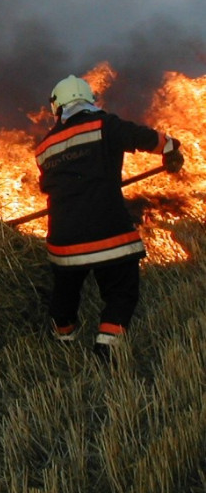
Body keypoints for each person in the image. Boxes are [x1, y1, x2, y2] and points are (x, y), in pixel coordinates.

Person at [35, 75, 184, 361]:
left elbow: (47, 186)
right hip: (108, 232)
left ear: (57, 107)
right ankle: (106, 348)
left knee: (65, 293)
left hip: (63, 239)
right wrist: (170, 148)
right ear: (89, 100)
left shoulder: (44, 148)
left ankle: (62, 339)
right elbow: (144, 138)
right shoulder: (104, 125)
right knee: (121, 291)